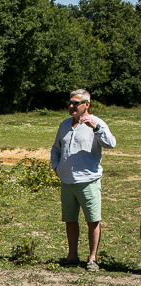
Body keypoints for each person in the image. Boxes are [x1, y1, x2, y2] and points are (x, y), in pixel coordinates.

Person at [50, 89, 116, 271]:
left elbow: (111, 143)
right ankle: (72, 256)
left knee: (92, 220)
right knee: (70, 219)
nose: (71, 106)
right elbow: (56, 148)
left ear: (87, 104)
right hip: (67, 181)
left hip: (89, 180)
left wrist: (96, 128)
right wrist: (56, 166)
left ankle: (92, 258)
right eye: (70, 103)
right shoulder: (64, 125)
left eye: (76, 103)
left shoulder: (98, 123)